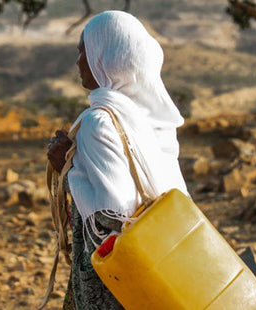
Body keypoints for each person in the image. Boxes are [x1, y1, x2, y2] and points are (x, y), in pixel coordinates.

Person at [46, 11, 189, 310]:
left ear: (105, 55)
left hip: (119, 276)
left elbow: (112, 213)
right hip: (169, 255)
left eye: (84, 51)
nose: (79, 61)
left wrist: (67, 168)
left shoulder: (100, 121)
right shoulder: (156, 119)